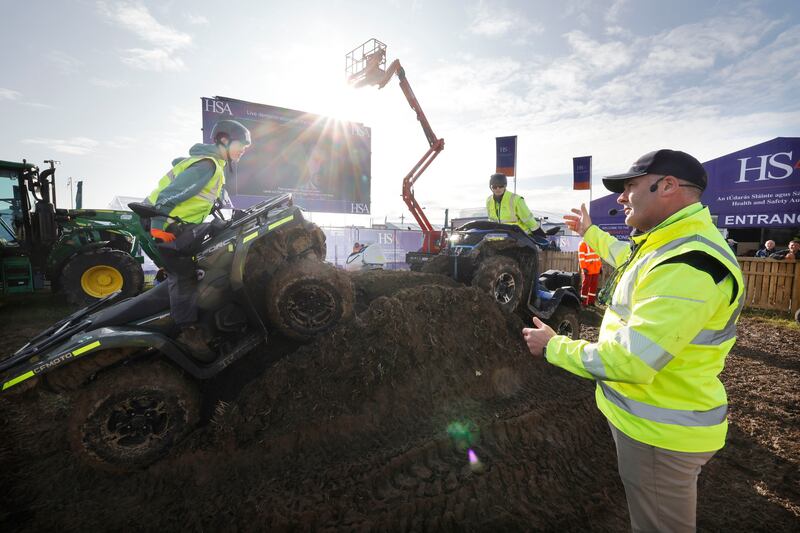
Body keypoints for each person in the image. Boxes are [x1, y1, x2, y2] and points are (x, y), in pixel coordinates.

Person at [522, 149, 744, 532]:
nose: (622, 197)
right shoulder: (668, 246)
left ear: (668, 186)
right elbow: (627, 257)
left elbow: (631, 360)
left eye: (630, 187)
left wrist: (553, 346)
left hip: (661, 435)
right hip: (656, 422)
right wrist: (590, 232)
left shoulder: (688, 264)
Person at [144, 119, 251, 360]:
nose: (243, 150)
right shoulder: (207, 165)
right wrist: (158, 224)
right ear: (224, 140)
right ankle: (188, 333)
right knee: (184, 276)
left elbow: (210, 202)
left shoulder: (215, 166)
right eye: (241, 145)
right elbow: (169, 195)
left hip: (175, 224)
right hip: (164, 225)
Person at [485, 173, 546, 238]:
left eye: (501, 186)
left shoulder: (516, 199)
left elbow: (528, 219)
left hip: (519, 237)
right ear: (491, 187)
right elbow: (491, 220)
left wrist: (539, 233)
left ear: (505, 186)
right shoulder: (489, 201)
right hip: (499, 238)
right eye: (494, 187)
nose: (498, 189)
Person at [578, 240, 602, 306]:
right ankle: (583, 303)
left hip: (596, 269)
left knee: (594, 286)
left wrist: (600, 267)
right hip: (587, 269)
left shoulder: (594, 243)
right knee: (585, 286)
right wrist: (583, 267)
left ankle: (591, 302)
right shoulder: (582, 243)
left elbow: (598, 256)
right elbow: (581, 257)